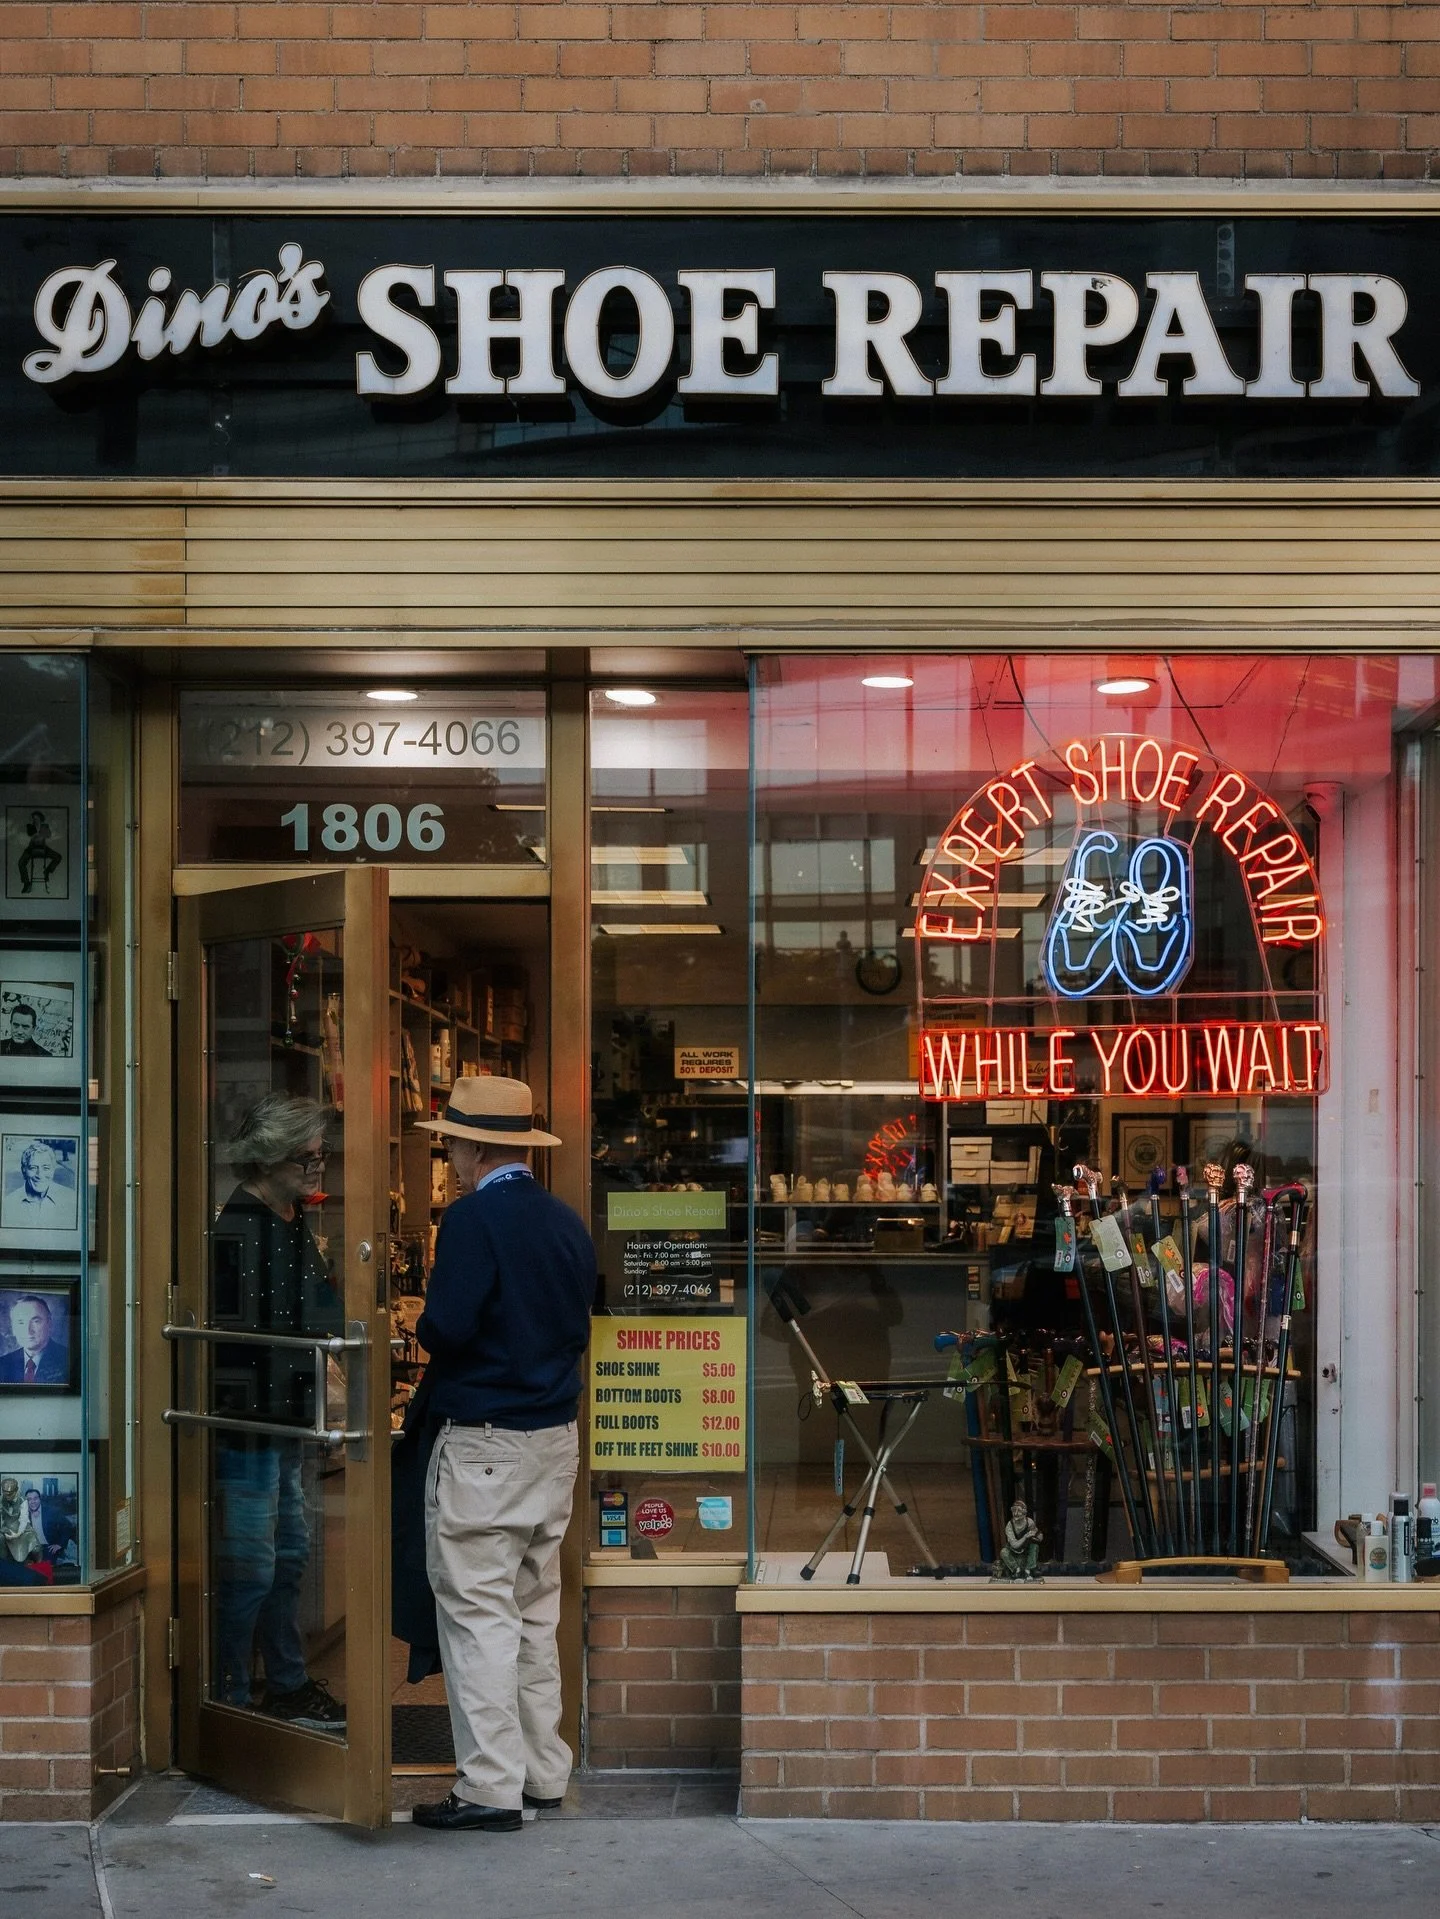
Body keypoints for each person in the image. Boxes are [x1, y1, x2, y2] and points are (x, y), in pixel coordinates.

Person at [409, 1077, 596, 1834]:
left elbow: (445, 1326)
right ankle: (543, 1770)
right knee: (530, 1609)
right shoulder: (564, 1220)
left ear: (480, 1145)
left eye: (452, 1141)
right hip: (554, 1436)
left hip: (486, 1439)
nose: (449, 1153)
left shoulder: (472, 1219)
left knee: (477, 1611)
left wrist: (424, 1322)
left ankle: (489, 1785)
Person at [210, 1091, 346, 1733]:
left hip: (286, 1417)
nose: (316, 1171)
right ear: (267, 1159)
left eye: (319, 1159)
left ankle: (285, 1682)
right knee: (252, 1566)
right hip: (251, 1423)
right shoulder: (238, 1228)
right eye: (306, 1161)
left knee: (288, 1555)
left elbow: (315, 1311)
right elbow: (249, 1337)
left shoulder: (290, 1219)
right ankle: (233, 1695)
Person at [0, 1293, 69, 1384]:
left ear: (49, 1324)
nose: (28, 1331)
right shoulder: (3, 1363)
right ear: (13, 1328)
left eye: (36, 1321)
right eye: (21, 1323)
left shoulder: (68, 1360)